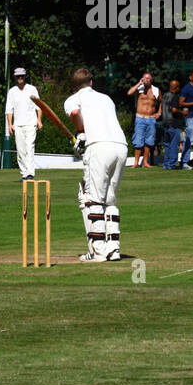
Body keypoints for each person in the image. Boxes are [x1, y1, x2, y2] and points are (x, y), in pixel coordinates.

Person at [64, 67, 128, 262]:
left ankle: (98, 251)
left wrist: (81, 133)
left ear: (74, 87)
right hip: (121, 146)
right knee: (110, 200)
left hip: (99, 147)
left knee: (93, 200)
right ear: (91, 82)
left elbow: (75, 113)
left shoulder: (73, 99)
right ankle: (113, 249)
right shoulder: (106, 98)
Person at [4, 67, 42, 180]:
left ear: (25, 76)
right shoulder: (12, 92)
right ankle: (25, 173)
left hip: (31, 123)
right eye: (18, 76)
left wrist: (39, 120)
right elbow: (9, 110)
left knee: (29, 147)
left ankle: (30, 173)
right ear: (15, 77)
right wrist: (10, 125)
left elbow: (39, 106)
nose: (20, 78)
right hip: (18, 124)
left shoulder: (32, 89)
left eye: (22, 76)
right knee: (20, 151)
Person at [126, 72, 161, 168]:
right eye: (144, 78)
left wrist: (159, 112)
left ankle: (145, 162)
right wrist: (139, 83)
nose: (146, 80)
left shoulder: (156, 90)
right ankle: (136, 163)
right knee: (138, 141)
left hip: (151, 119)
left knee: (149, 142)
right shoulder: (139, 89)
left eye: (148, 78)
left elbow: (161, 102)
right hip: (140, 118)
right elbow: (129, 93)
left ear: (151, 80)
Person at [160, 77, 186, 169]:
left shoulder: (165, 95)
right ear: (176, 88)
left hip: (166, 124)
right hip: (174, 124)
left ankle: (166, 164)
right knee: (174, 145)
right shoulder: (174, 96)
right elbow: (174, 110)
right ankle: (172, 164)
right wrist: (183, 112)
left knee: (167, 145)